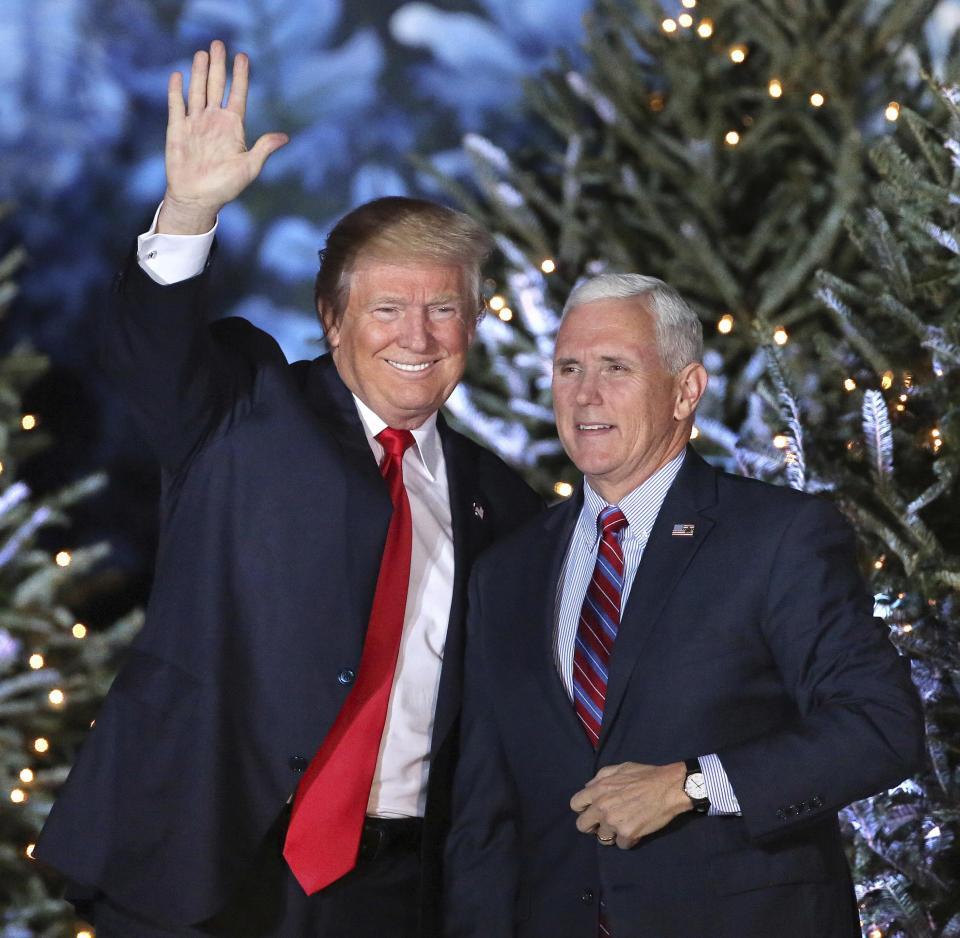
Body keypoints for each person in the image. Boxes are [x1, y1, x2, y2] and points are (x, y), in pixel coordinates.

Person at [35, 41, 540, 938]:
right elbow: (152, 356)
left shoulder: (501, 503)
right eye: (387, 307)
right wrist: (189, 210)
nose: (417, 335)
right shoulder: (245, 404)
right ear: (332, 318)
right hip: (205, 863)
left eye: (444, 308)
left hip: (392, 890)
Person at [443, 273, 925, 938]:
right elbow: (483, 816)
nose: (585, 393)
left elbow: (881, 727)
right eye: (569, 368)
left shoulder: (777, 537)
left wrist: (692, 784)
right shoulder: (506, 572)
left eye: (616, 367)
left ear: (686, 390)